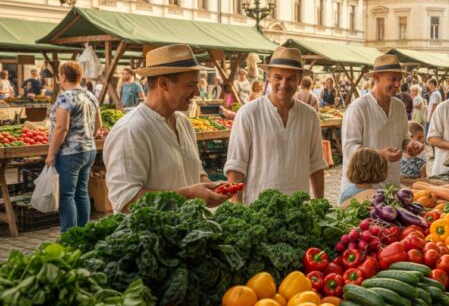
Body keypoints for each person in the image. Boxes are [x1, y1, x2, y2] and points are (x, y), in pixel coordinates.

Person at [104, 45, 230, 213]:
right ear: (163, 83)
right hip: (152, 238)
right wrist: (188, 196)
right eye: (191, 84)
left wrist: (210, 187)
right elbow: (125, 201)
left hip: (187, 233)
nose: (197, 92)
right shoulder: (130, 130)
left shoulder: (184, 123)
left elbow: (195, 171)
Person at [225, 47, 327, 202]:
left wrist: (321, 205)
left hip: (298, 210)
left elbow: (316, 165)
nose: (283, 84)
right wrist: (237, 209)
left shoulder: (309, 115)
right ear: (269, 77)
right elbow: (236, 167)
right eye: (278, 77)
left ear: (299, 80)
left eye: (291, 78)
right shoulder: (248, 113)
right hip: (257, 211)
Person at [342, 54, 424, 189]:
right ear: (376, 77)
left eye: (399, 79)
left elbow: (404, 138)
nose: (397, 84)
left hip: (391, 186)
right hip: (361, 190)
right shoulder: (358, 108)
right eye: (392, 79)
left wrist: (410, 145)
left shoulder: (399, 106)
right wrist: (381, 154)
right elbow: (349, 150)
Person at [44, 62, 101, 232]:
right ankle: (82, 233)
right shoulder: (90, 96)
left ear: (62, 77)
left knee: (67, 195)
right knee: (81, 193)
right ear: (80, 76)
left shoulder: (65, 98)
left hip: (69, 153)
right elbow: (99, 126)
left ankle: (69, 235)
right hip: (89, 150)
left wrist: (51, 154)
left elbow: (62, 128)